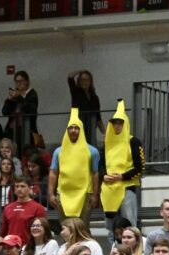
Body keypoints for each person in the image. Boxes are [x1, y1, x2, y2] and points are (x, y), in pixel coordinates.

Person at [99, 100, 145, 231]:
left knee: (130, 226)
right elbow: (101, 165)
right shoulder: (108, 143)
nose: (117, 126)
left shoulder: (133, 141)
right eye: (115, 123)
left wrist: (122, 176)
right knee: (110, 227)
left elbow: (140, 167)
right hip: (109, 190)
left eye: (120, 123)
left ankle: (133, 251)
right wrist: (103, 176)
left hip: (127, 189)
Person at [48, 110, 100, 225]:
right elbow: (53, 173)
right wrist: (51, 193)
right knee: (66, 228)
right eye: (70, 128)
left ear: (81, 130)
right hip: (63, 195)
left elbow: (95, 173)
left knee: (83, 228)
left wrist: (95, 195)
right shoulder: (58, 151)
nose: (73, 130)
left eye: (76, 128)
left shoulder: (92, 151)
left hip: (85, 195)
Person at [66, 69, 102, 145]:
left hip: (91, 126)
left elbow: (98, 117)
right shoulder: (76, 92)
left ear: (90, 81)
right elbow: (70, 76)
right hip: (78, 127)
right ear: (79, 81)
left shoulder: (94, 97)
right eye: (82, 80)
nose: (84, 82)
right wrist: (80, 70)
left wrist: (104, 132)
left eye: (86, 80)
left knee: (91, 147)